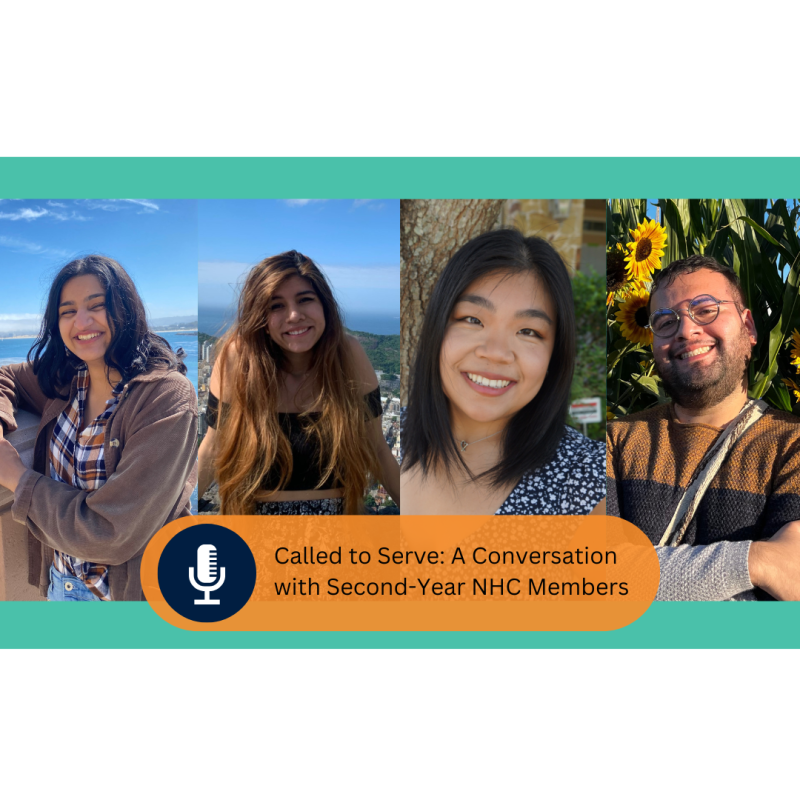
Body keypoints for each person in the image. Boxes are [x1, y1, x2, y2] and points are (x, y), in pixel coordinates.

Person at [0, 255, 197, 601]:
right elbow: (5, 376)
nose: (82, 321)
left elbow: (110, 532)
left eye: (97, 306)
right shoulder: (66, 378)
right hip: (60, 582)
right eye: (68, 311)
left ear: (125, 310)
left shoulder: (164, 396)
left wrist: (17, 477)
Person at [607, 254, 800, 601]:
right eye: (666, 321)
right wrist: (754, 562)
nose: (685, 330)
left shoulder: (792, 445)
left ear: (749, 328)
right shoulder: (613, 441)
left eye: (706, 310)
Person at [401, 229, 605, 515]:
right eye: (473, 319)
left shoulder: (588, 479)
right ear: (438, 328)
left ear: (554, 356)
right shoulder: (393, 436)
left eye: (528, 331)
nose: (496, 352)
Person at [197, 250, 399, 515]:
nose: (294, 315)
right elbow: (213, 447)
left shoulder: (347, 355)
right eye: (276, 306)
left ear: (324, 306)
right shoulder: (240, 359)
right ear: (261, 319)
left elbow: (378, 449)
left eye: (305, 300)